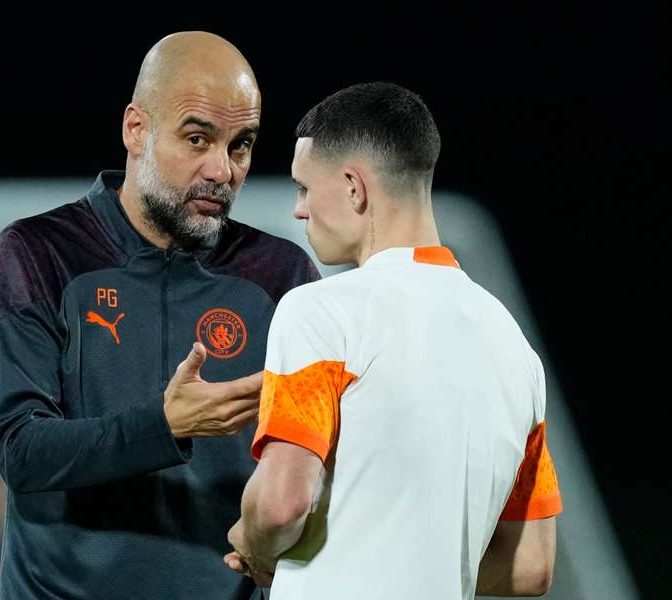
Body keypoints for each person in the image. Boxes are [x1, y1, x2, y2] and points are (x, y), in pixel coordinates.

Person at [0, 31, 320, 599]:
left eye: (241, 145)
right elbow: (23, 451)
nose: (221, 170)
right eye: (197, 138)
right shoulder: (39, 254)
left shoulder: (281, 277)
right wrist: (166, 425)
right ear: (136, 129)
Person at [223, 82, 563, 599]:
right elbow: (532, 564)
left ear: (354, 187)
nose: (298, 210)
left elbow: (279, 506)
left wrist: (252, 541)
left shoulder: (322, 311)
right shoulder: (515, 350)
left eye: (304, 188)